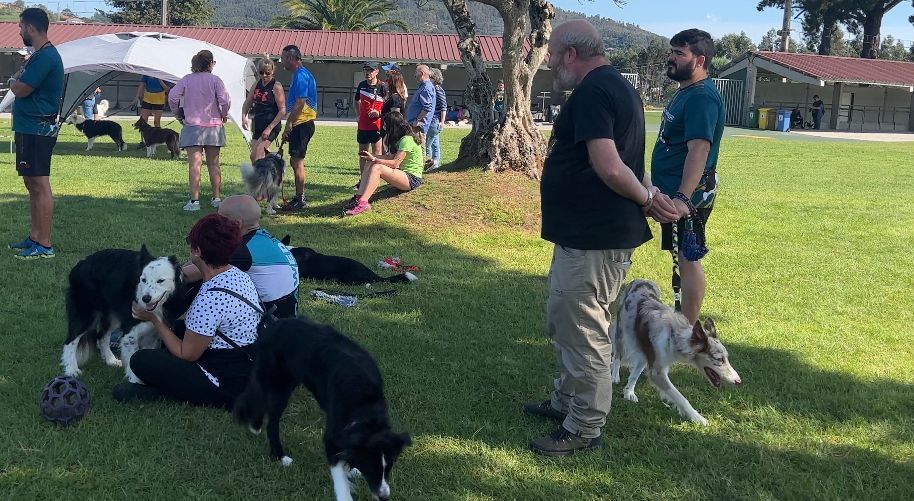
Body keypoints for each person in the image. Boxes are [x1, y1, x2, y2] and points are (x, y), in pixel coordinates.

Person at [525, 19, 677, 457]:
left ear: (571, 54)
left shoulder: (593, 90)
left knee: (584, 329)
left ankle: (585, 426)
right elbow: (631, 160)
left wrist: (647, 198)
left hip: (594, 237)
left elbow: (611, 166)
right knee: (565, 320)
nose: (551, 63)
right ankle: (566, 400)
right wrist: (648, 192)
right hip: (584, 234)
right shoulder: (619, 88)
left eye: (552, 54)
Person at [113, 214, 260, 409]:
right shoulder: (236, 274)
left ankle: (163, 390)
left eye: (190, 242)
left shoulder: (209, 299)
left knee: (141, 360)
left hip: (225, 381)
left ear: (197, 251)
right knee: (179, 328)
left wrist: (155, 319)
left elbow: (187, 354)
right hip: (245, 360)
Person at [650, 28, 725, 326]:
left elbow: (699, 149)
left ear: (699, 60)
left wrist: (682, 198)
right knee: (683, 256)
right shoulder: (686, 92)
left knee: (688, 258)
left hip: (687, 199)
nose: (671, 58)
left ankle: (687, 332)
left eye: (679, 53)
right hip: (671, 196)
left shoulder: (701, 98)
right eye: (671, 51)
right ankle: (686, 328)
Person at [183, 195, 300, 318]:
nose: (215, 223)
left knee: (205, 279)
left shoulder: (241, 250)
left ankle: (166, 322)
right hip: (283, 315)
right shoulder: (259, 238)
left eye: (220, 219)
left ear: (237, 223)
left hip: (269, 326)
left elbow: (187, 275)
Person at [7, 8, 64, 260]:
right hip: (30, 128)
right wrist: (16, 80)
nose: (19, 31)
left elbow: (20, 88)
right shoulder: (39, 55)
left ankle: (45, 244)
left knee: (39, 184)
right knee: (31, 183)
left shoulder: (45, 57)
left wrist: (13, 82)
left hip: (37, 129)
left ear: (31, 28)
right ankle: (34, 237)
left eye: (20, 26)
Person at [168, 50, 231, 212]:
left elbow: (173, 97)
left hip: (192, 126)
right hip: (213, 126)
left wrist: (178, 114)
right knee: (214, 164)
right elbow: (224, 99)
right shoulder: (216, 80)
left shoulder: (186, 80)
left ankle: (194, 201)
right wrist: (223, 114)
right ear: (210, 63)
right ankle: (216, 198)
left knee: (194, 165)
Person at [345, 112, 424, 216]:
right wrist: (372, 156)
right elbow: (390, 157)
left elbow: (395, 163)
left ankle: (363, 203)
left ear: (393, 126)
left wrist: (375, 159)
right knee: (370, 163)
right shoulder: (402, 138)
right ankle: (359, 198)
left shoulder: (406, 140)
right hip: (403, 175)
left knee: (377, 168)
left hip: (412, 179)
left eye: (386, 125)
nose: (384, 127)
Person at [277, 45, 317, 213]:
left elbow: (300, 103)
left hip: (302, 123)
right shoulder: (301, 74)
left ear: (293, 58)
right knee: (295, 160)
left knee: (296, 161)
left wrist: (289, 124)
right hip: (301, 123)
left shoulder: (301, 75)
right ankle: (298, 197)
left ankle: (300, 199)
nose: (282, 61)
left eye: (284, 57)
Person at [241, 55, 286, 163]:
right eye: (261, 72)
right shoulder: (257, 84)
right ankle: (274, 162)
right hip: (258, 123)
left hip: (271, 124)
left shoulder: (276, 86)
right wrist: (243, 117)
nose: (264, 75)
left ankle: (261, 177)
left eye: (267, 73)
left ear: (272, 72)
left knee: (255, 157)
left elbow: (282, 110)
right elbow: (248, 101)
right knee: (257, 156)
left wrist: (269, 128)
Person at [355, 61, 387, 182]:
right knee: (363, 153)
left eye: (371, 70)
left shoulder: (383, 86)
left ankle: (373, 180)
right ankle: (363, 180)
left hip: (377, 125)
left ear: (377, 72)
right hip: (363, 125)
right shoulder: (361, 85)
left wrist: (379, 113)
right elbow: (356, 100)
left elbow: (388, 105)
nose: (368, 73)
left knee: (376, 153)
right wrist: (358, 114)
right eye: (366, 70)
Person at [405, 64, 435, 149]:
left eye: (416, 74)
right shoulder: (423, 86)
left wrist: (417, 120)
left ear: (422, 73)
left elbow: (427, 107)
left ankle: (424, 162)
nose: (415, 76)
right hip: (414, 125)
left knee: (419, 149)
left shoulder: (426, 88)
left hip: (418, 126)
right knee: (414, 149)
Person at [425, 68, 446, 171]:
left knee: (427, 144)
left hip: (434, 120)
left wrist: (442, 122)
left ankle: (428, 163)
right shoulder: (432, 88)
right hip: (433, 120)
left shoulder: (437, 89)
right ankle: (435, 164)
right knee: (435, 144)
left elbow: (443, 107)